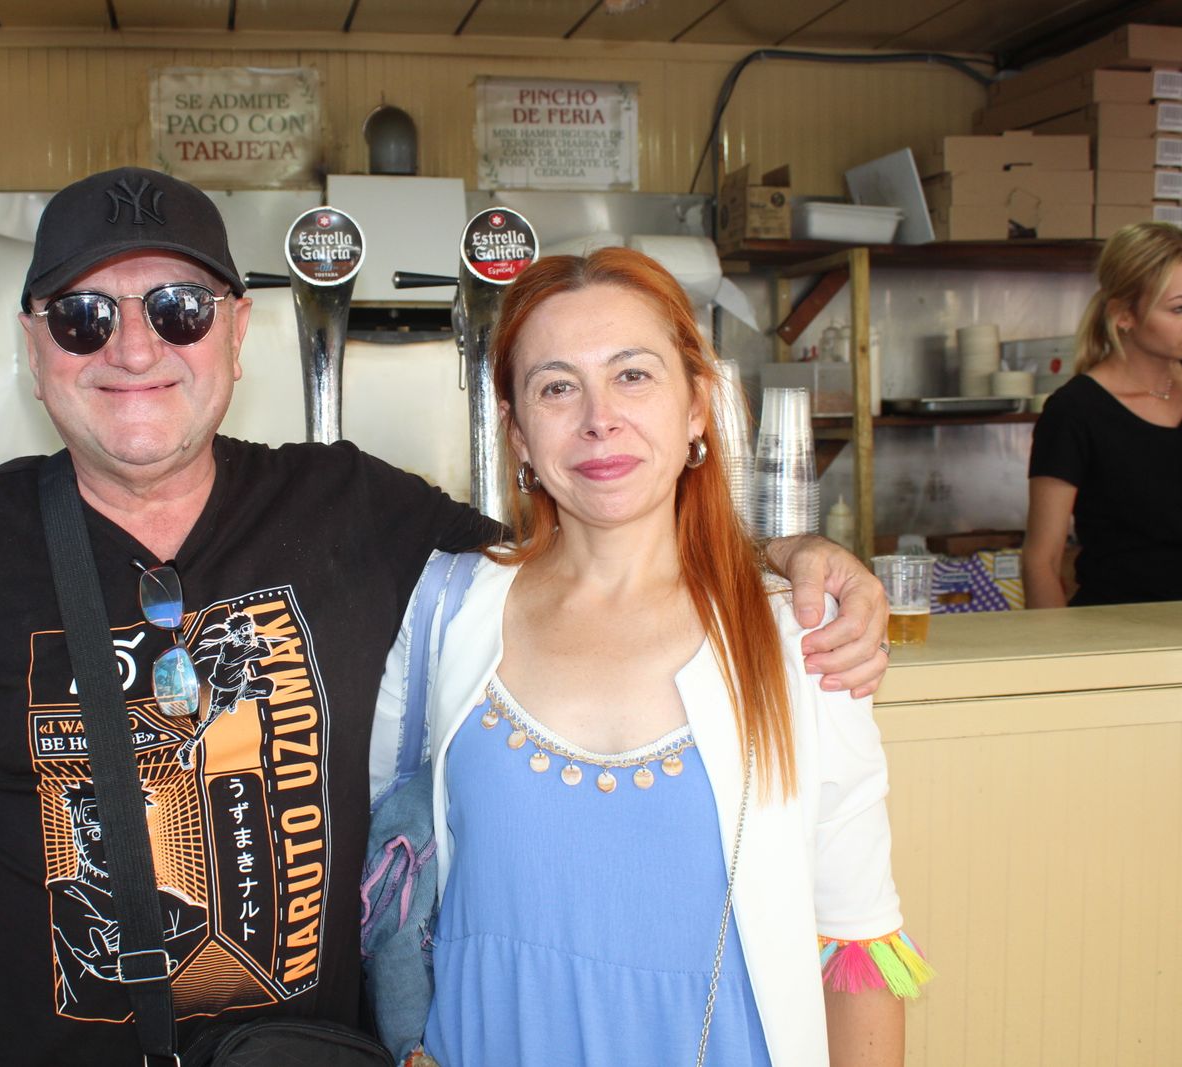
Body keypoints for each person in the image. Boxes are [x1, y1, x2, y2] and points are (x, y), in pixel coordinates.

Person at [0, 167, 891, 1067]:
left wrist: (784, 554)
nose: (134, 347)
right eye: (86, 315)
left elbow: (582, 525)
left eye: (177, 308)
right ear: (36, 349)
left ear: (237, 333)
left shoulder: (353, 507)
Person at [371, 248, 929, 1067]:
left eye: (633, 375)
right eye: (557, 386)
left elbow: (856, 936)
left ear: (697, 405)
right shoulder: (446, 609)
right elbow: (383, 861)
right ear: (519, 431)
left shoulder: (796, 633)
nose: (599, 418)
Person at [1023, 222, 1182, 608]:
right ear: (1124, 315)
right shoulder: (1076, 410)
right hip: (1122, 633)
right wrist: (1060, 660)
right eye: (1180, 307)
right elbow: (1040, 561)